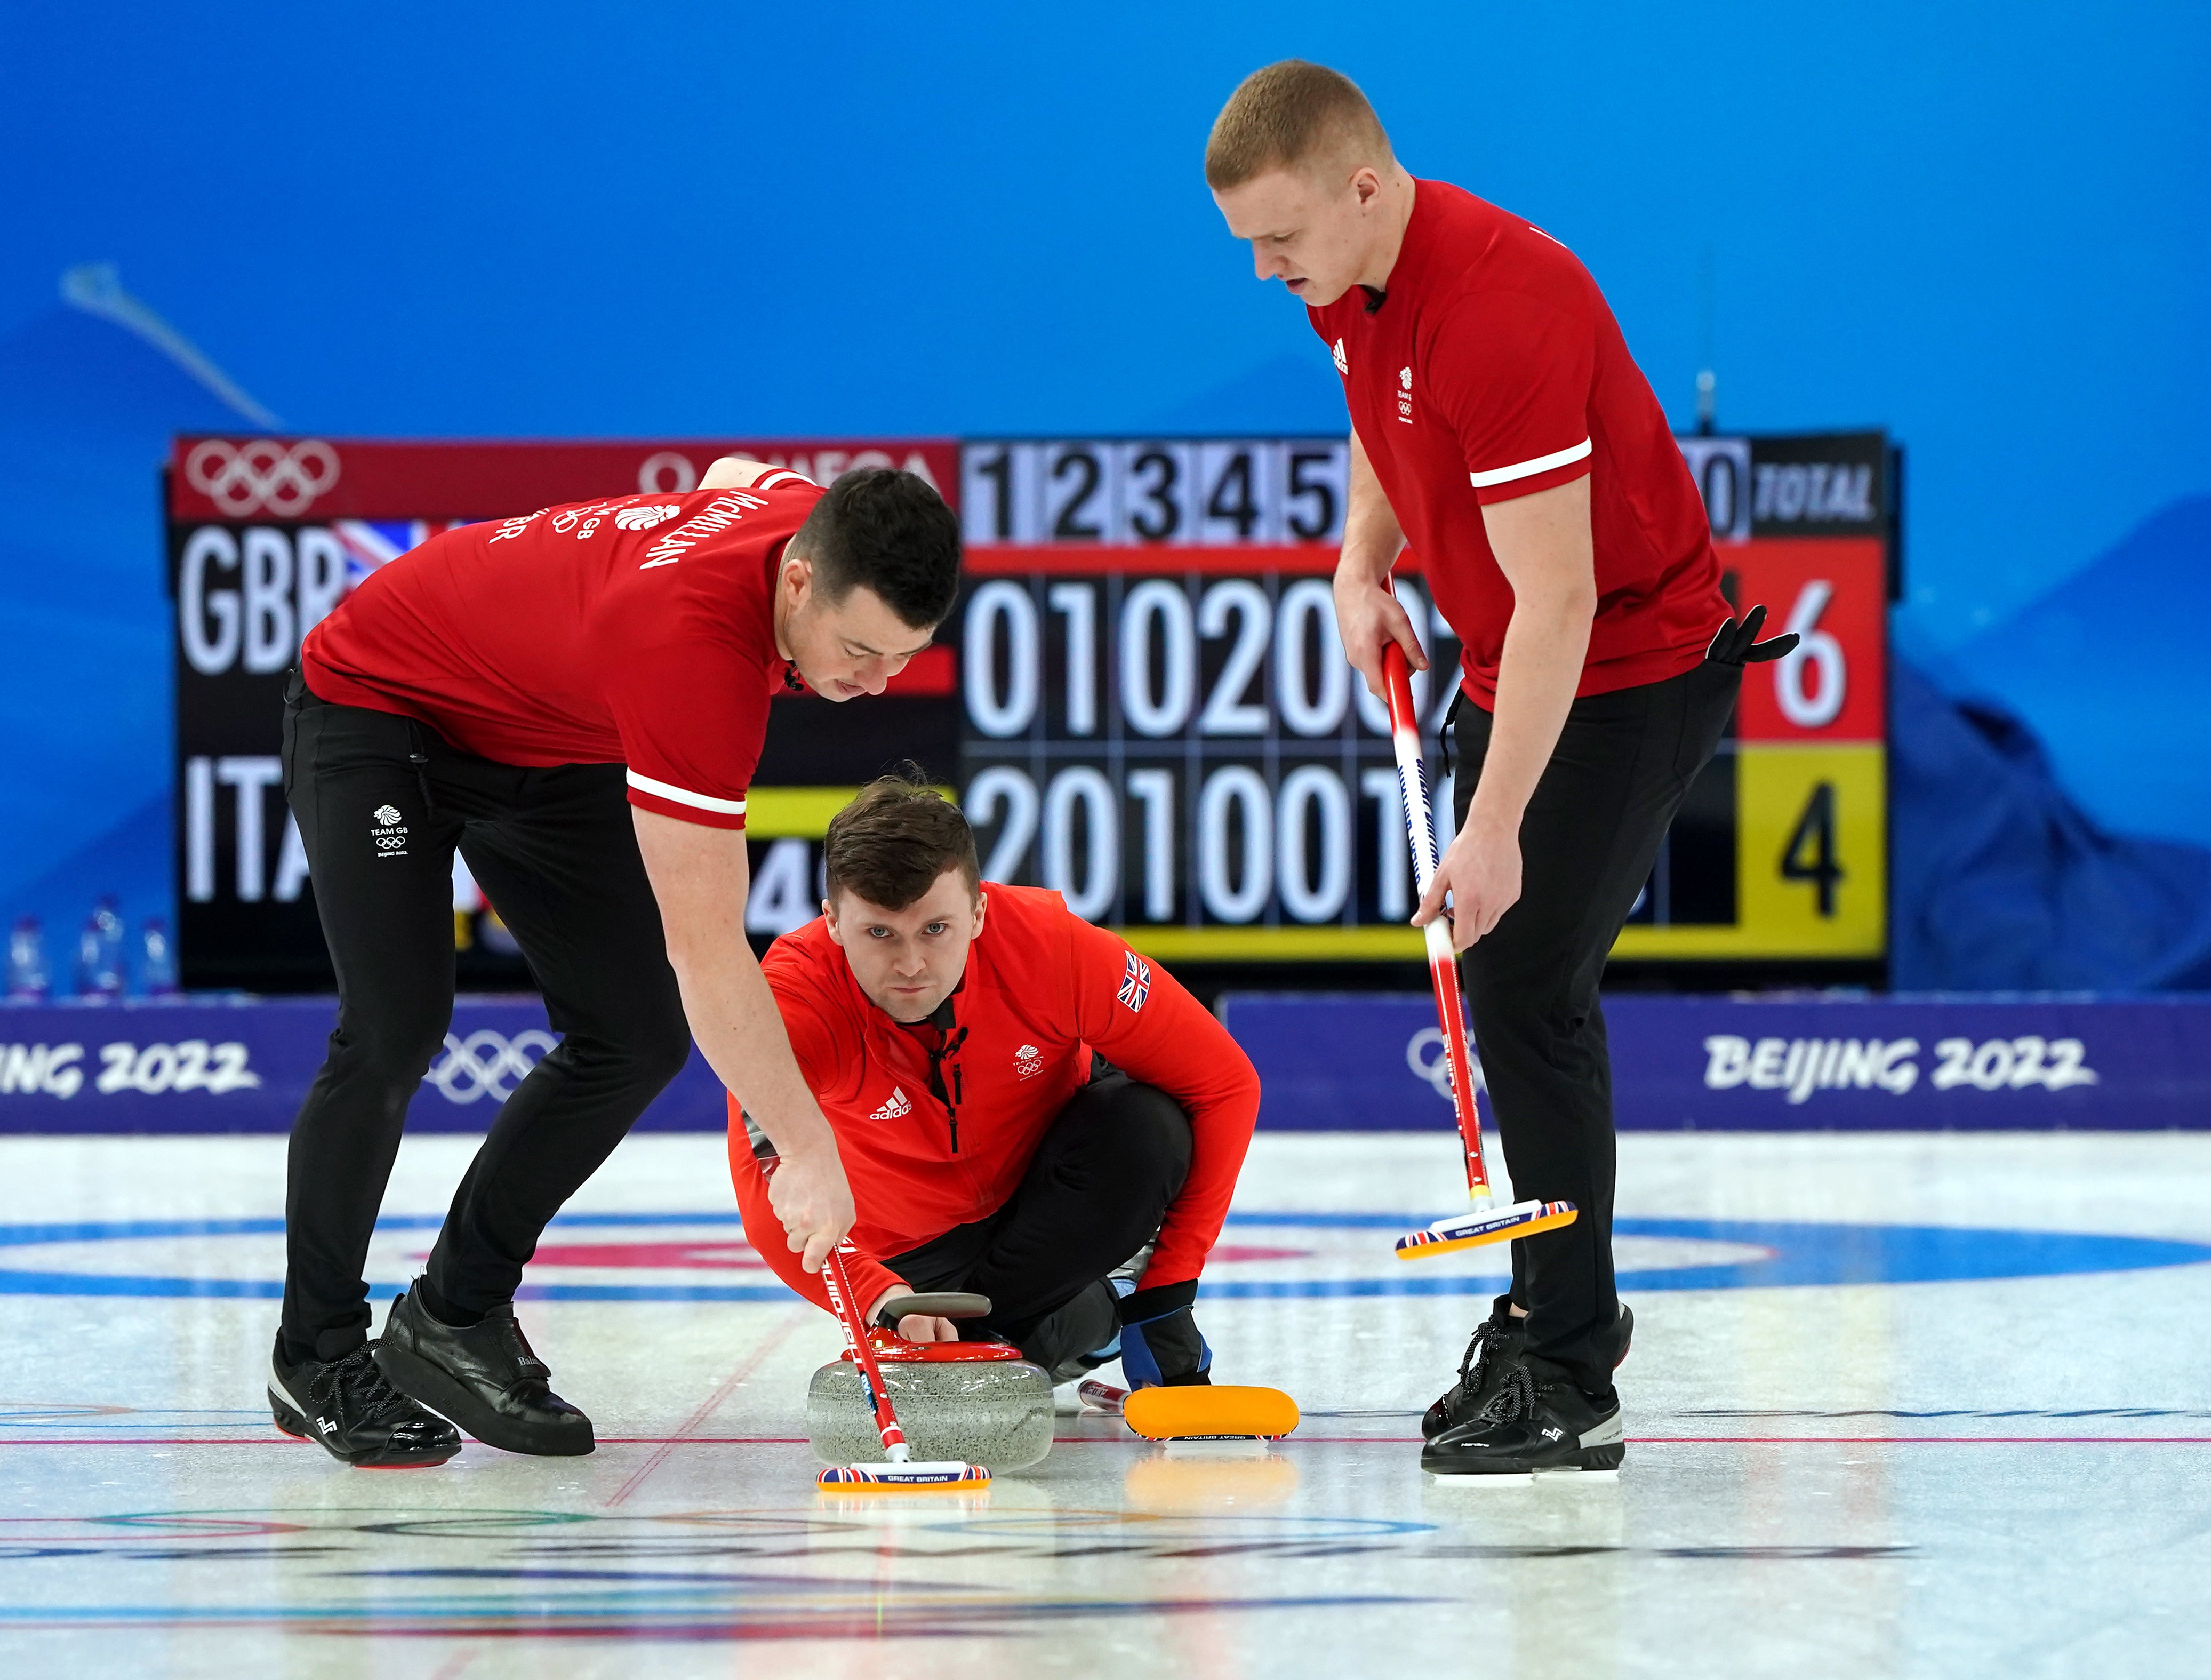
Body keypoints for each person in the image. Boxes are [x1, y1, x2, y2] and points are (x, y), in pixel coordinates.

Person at [1205, 62, 1795, 1475]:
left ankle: (1574, 1370)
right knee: (1510, 975)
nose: (1264, 269)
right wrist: (1361, 562)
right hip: (1516, 657)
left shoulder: (1499, 307)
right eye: (1248, 245)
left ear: (1364, 187)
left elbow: (1564, 600)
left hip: (1632, 663)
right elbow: (1380, 413)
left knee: (1530, 980)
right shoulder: (1350, 276)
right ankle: (1540, 1305)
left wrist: (1494, 823)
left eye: (1278, 237)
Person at [268, 462, 961, 1467]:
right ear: (799, 580)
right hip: (381, 706)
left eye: (904, 657)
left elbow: (731, 475)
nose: (876, 682)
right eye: (859, 650)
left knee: (634, 1033)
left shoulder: (804, 515)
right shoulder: (692, 658)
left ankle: (455, 1312)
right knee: (394, 1026)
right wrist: (806, 1147)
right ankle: (316, 1350)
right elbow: (705, 948)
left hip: (540, 734)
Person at [725, 774, 1261, 1389]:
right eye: (880, 933)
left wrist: (1169, 1290)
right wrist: (879, 1297)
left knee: (1147, 1126)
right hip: (909, 1262)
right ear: (833, 923)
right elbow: (764, 1196)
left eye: (936, 929)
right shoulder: (796, 999)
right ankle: (1062, 1329)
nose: (911, 965)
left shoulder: (1050, 948)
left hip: (1051, 1206)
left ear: (978, 912)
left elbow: (1224, 1084)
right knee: (1055, 1332)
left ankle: (1063, 1322)